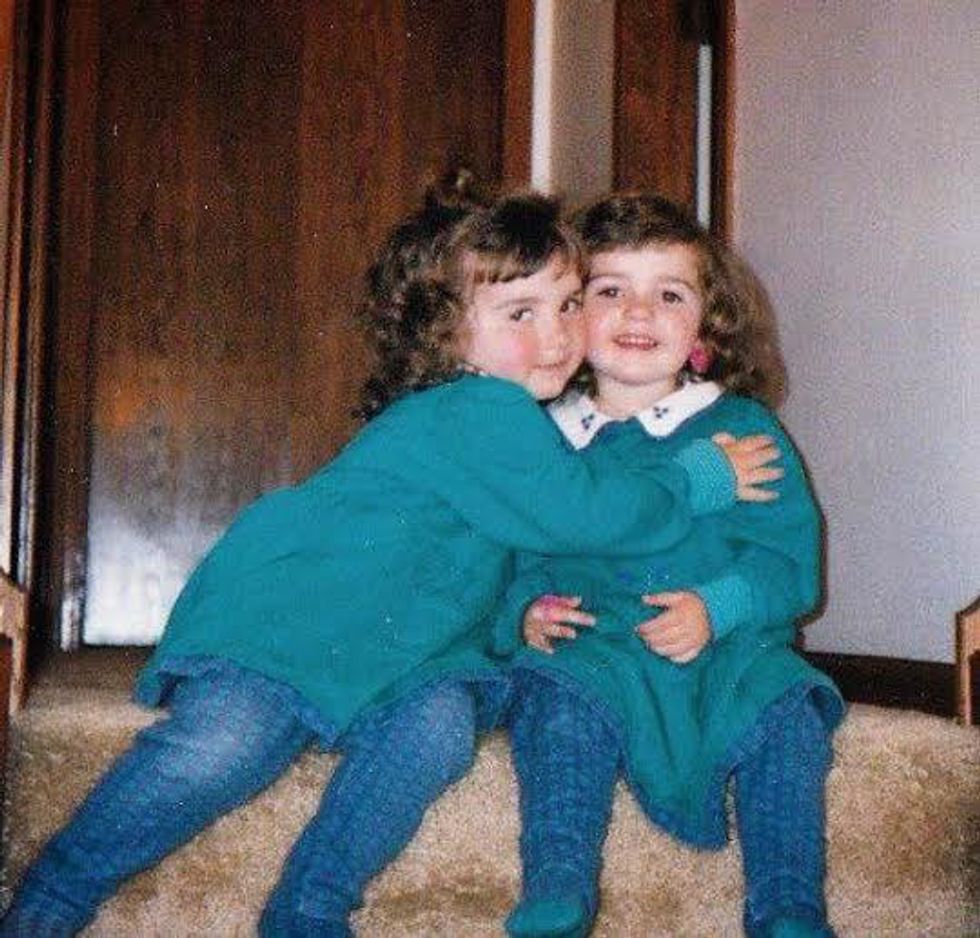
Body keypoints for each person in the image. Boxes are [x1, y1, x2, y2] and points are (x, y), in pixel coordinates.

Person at [0, 180, 779, 938]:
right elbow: (588, 516)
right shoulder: (482, 409)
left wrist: (521, 617)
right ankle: (54, 892)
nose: (558, 335)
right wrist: (696, 479)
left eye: (570, 304)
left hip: (411, 648)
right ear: (447, 335)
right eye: (521, 313)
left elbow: (517, 557)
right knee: (229, 741)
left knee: (439, 728)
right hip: (299, 621)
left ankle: (310, 909)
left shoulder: (532, 424)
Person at [495, 193, 845, 938]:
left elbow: (788, 562)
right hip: (595, 650)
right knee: (551, 699)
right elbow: (509, 555)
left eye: (670, 295)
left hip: (727, 653)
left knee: (788, 714)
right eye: (610, 291)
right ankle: (557, 885)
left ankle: (787, 904)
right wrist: (524, 610)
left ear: (705, 327)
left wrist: (718, 607)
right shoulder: (540, 439)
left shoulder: (741, 431)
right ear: (569, 315)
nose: (638, 312)